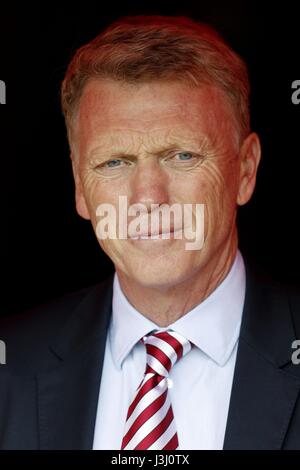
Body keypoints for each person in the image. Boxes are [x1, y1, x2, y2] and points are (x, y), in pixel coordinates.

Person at [0, 15, 300, 450]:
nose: (147, 198)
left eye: (181, 155)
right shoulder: (10, 369)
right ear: (79, 186)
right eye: (114, 162)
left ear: (246, 170)